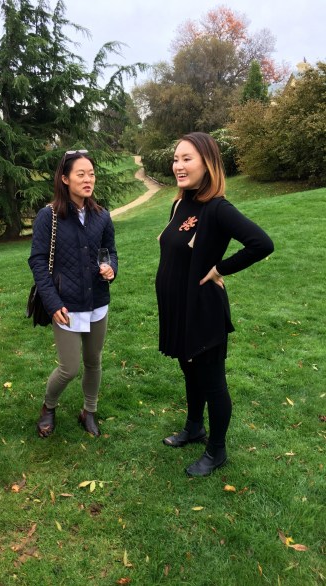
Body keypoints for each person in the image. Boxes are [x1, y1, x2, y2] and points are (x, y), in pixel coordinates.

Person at [155, 132, 274, 477]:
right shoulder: (179, 204)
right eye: (176, 159)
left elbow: (261, 243)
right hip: (178, 308)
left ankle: (217, 450)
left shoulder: (218, 208)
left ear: (207, 163)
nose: (178, 166)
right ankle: (194, 427)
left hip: (203, 310)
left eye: (187, 159)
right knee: (189, 369)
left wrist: (220, 269)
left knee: (212, 381)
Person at [28, 150, 118, 438]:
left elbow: (110, 251)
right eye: (81, 174)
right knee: (69, 368)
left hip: (97, 302)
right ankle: (48, 406)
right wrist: (52, 302)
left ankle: (88, 411)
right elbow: (38, 261)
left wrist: (111, 268)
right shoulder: (49, 216)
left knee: (94, 362)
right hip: (65, 305)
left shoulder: (102, 215)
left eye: (91, 174)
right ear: (65, 179)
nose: (88, 179)